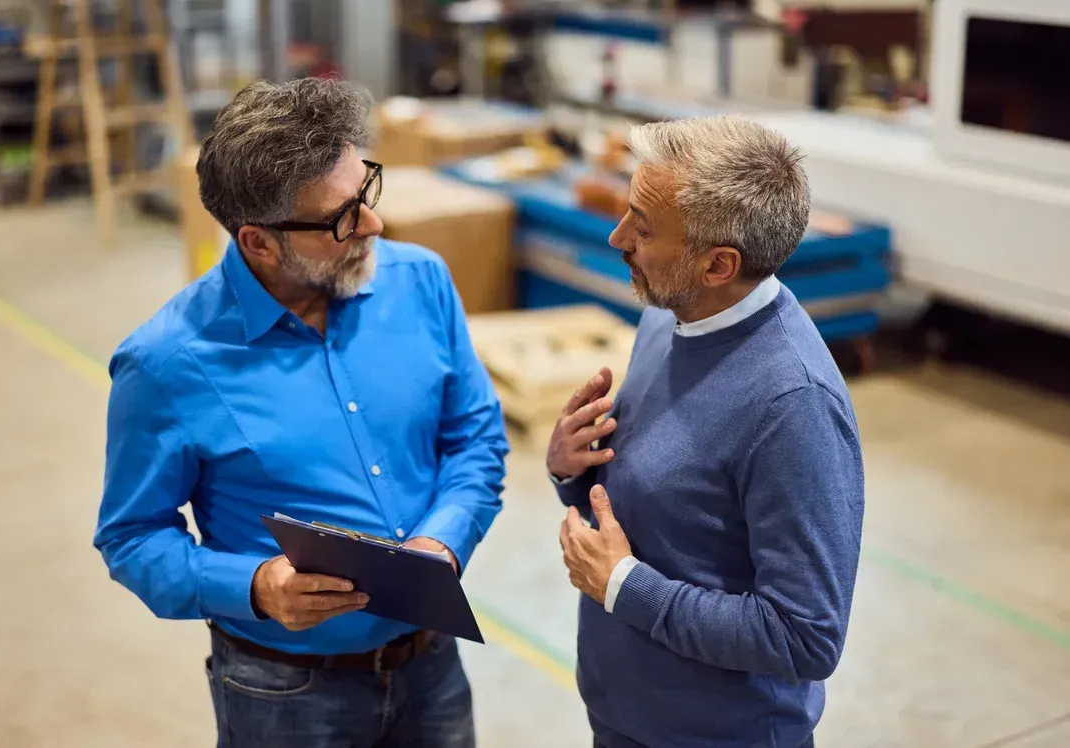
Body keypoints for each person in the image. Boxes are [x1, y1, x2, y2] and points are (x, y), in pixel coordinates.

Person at [94, 78, 508, 747]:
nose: (372, 224)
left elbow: (474, 440)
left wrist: (442, 541)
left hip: (430, 668)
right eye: (343, 216)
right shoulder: (167, 363)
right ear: (258, 242)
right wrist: (255, 586)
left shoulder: (419, 282)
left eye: (366, 191)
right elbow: (131, 538)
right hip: (286, 696)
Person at [551, 116, 865, 748]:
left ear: (719, 264)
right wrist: (571, 468)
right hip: (625, 717)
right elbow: (654, 510)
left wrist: (624, 586)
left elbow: (804, 636)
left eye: (643, 227)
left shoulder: (793, 407)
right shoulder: (671, 317)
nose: (618, 237)